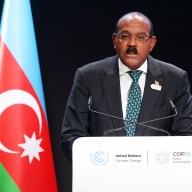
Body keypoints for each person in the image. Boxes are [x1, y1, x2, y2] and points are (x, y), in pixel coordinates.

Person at [61, 11, 192, 162]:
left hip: (156, 180)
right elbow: (71, 137)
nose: (132, 43)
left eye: (141, 37)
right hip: (103, 178)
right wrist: (99, 163)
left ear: (152, 43)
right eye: (124, 36)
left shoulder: (175, 79)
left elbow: (186, 137)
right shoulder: (88, 77)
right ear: (115, 40)